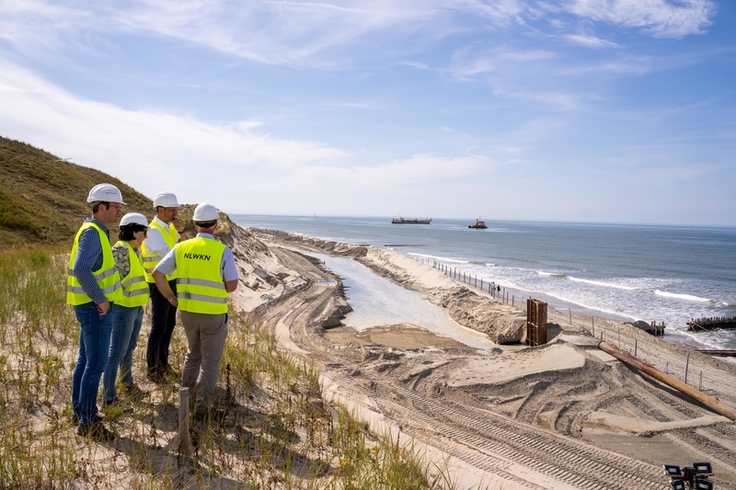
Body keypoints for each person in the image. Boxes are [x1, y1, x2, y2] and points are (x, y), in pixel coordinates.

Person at [152, 202, 238, 421]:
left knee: (193, 356)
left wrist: (171, 298)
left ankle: (186, 400)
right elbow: (231, 286)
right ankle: (202, 407)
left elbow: (157, 273)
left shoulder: (182, 247)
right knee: (210, 362)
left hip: (188, 312)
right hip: (213, 314)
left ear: (194, 224)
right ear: (216, 225)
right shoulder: (221, 251)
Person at [67, 183, 125, 441]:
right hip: (94, 308)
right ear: (101, 207)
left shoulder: (95, 231)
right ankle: (88, 421)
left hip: (90, 306)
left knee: (85, 361)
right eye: (115, 207)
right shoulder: (92, 232)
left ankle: (80, 411)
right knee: (95, 364)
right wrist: (101, 300)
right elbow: (81, 270)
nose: (119, 212)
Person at [102, 213, 150, 407]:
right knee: (117, 352)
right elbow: (114, 284)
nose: (145, 236)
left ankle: (127, 383)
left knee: (129, 348)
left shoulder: (134, 249)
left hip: (136, 307)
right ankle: (108, 397)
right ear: (134, 230)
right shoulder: (120, 251)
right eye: (144, 232)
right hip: (123, 309)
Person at [141, 192, 188, 382]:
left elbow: (184, 247)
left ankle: (162, 363)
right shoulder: (152, 231)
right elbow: (172, 255)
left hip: (172, 280)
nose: (175, 212)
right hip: (157, 282)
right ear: (160, 210)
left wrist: (182, 231)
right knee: (159, 325)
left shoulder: (170, 228)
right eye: (171, 209)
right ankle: (152, 369)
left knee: (170, 324)